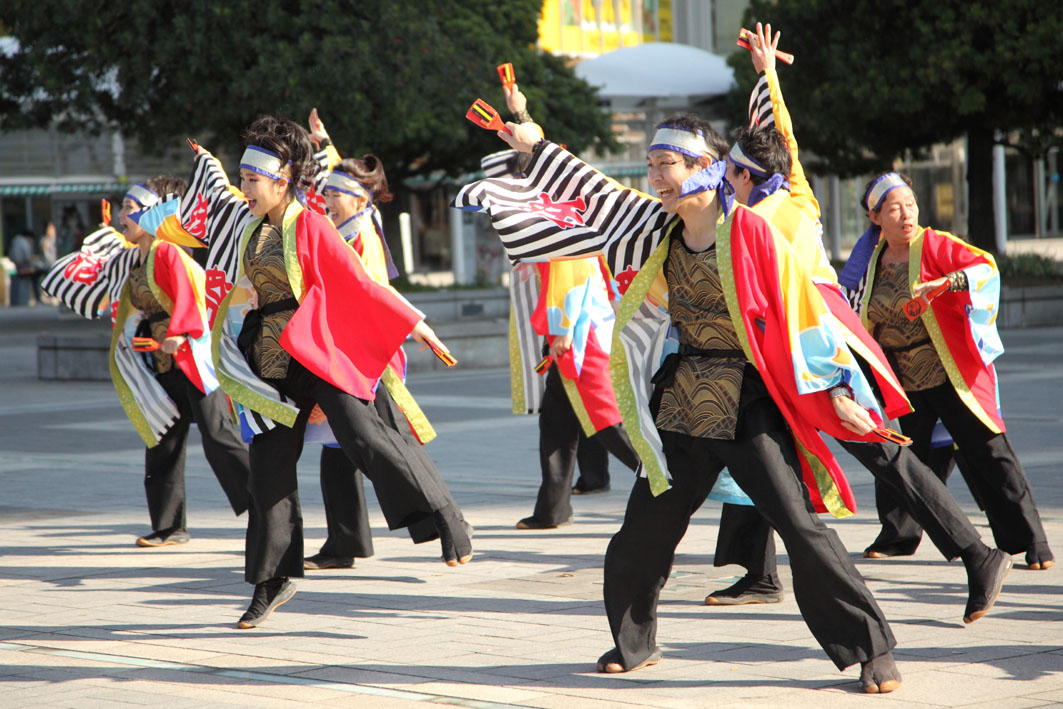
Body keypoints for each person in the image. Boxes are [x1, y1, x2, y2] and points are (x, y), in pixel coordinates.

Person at [456, 108, 904, 692]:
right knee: (641, 531)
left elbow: (804, 313)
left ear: (706, 168)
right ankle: (633, 642)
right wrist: (537, 144)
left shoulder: (751, 231)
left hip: (747, 402)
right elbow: (596, 193)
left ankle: (873, 650)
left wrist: (839, 388)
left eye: (665, 165)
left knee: (799, 527)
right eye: (650, 166)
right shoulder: (654, 227)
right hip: (684, 400)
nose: (655, 177)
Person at [703, 23, 1012, 621]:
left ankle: (977, 554)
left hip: (817, 346)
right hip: (794, 344)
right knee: (757, 444)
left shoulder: (753, 224)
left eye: (729, 175)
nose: (724, 184)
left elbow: (779, 149)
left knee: (881, 455)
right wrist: (767, 73)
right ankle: (759, 571)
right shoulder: (795, 193)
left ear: (742, 177)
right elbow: (785, 140)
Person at [138, 116, 472, 629]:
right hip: (269, 363)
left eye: (252, 180)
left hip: (318, 351)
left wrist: (417, 325)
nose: (244, 188)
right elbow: (237, 289)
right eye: (242, 178)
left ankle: (444, 517)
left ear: (282, 181)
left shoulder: (311, 224)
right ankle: (271, 581)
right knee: (268, 472)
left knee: (363, 435)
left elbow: (360, 283)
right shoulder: (249, 228)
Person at [838, 169, 1054, 572]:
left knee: (990, 454)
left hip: (952, 374)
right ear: (875, 218)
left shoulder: (935, 244)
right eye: (894, 208)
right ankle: (898, 536)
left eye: (910, 205)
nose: (906, 214)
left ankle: (1031, 541)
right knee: (902, 458)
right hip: (904, 381)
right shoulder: (868, 262)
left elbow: (985, 268)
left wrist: (949, 282)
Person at [40, 178, 251, 547]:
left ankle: (267, 508)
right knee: (161, 439)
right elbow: (102, 279)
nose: (122, 215)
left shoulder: (167, 252)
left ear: (151, 215)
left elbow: (191, 297)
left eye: (129, 209)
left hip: (190, 356)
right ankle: (169, 526)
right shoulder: (131, 256)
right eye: (122, 208)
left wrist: (181, 334)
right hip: (160, 360)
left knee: (218, 437)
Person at [489, 92, 640, 528]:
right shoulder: (563, 206)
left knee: (605, 417)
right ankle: (552, 509)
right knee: (557, 425)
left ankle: (663, 477)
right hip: (580, 328)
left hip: (578, 331)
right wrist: (519, 113)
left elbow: (566, 277)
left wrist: (558, 329)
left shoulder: (559, 212)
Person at [301, 110, 441, 569]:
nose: (326, 198)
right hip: (344, 354)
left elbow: (374, 293)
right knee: (343, 452)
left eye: (336, 194)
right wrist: (324, 143)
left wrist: (412, 324)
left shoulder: (362, 235)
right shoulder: (349, 223)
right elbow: (341, 174)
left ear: (361, 200)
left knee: (383, 447)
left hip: (364, 357)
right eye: (326, 192)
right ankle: (347, 543)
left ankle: (440, 519)